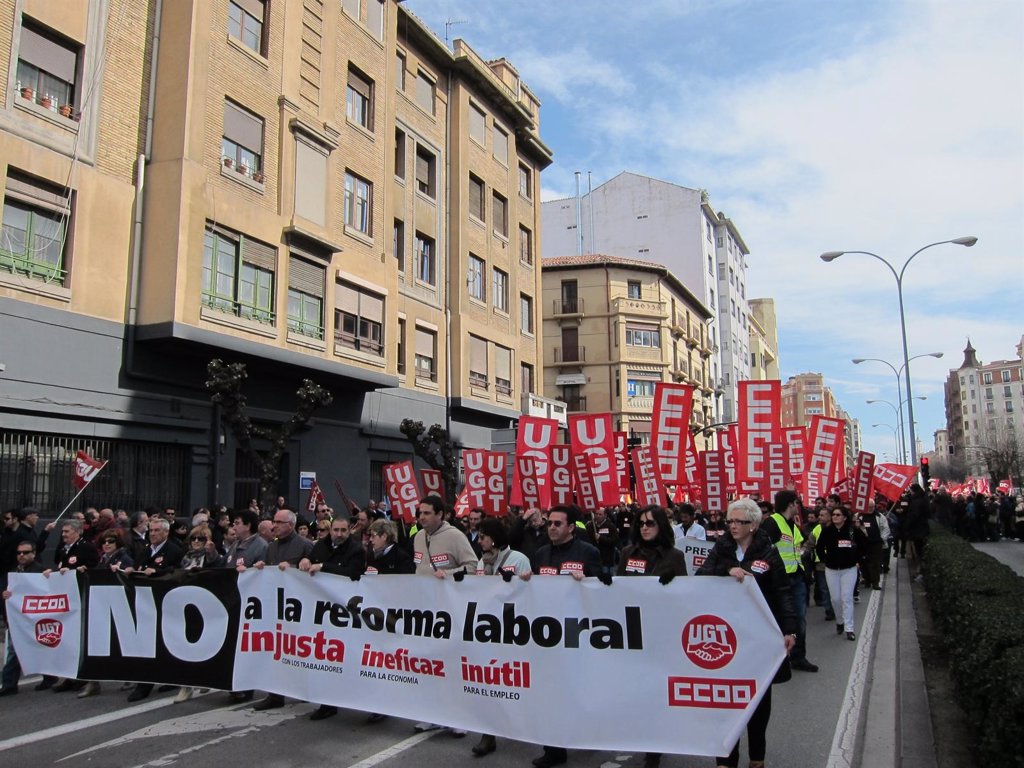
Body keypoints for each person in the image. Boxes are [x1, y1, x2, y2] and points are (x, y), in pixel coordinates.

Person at [696, 497, 798, 768]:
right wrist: (725, 569)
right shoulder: (722, 547)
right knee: (726, 701)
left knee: (758, 701)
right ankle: (725, 759)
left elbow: (782, 592)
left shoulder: (767, 551)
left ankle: (757, 758)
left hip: (758, 638)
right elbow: (701, 575)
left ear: (753, 524)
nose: (733, 526)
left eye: (739, 521)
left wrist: (790, 629)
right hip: (726, 635)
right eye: (730, 521)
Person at [527, 505, 602, 768]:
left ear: (571, 527)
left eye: (558, 524)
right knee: (550, 692)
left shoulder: (588, 552)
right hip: (547, 635)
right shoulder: (541, 553)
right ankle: (554, 749)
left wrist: (589, 578)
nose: (552, 527)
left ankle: (588, 733)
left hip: (577, 634)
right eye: (549, 523)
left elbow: (603, 587)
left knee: (578, 689)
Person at [615, 504, 686, 768]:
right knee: (636, 690)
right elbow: (619, 590)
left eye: (650, 523)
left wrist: (670, 586)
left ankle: (654, 747)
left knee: (656, 691)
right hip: (632, 631)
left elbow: (685, 598)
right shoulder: (626, 553)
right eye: (641, 523)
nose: (645, 527)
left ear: (661, 526)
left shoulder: (674, 556)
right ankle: (641, 735)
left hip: (660, 633)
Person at [411, 495, 477, 736]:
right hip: (426, 611)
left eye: (427, 513)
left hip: (451, 610)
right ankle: (432, 714)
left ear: (440, 514)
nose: (421, 517)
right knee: (430, 663)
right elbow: (418, 566)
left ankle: (460, 717)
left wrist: (449, 574)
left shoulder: (455, 536)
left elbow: (472, 566)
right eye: (420, 513)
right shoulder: (418, 537)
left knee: (453, 664)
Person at [467, 517, 532, 757]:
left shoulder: (517, 559)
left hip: (514, 630)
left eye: (482, 536)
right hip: (488, 630)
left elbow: (530, 590)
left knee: (516, 682)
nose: (479, 540)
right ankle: (488, 734)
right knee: (489, 681)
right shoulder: (483, 562)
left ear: (493, 538)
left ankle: (524, 725)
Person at [249, 509, 314, 712]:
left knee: (298, 650)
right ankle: (275, 694)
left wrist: (296, 566)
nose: (273, 525)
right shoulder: (272, 547)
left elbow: (314, 574)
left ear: (291, 525)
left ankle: (304, 689)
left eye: (279, 522)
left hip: (298, 609)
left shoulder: (306, 545)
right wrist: (259, 569)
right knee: (277, 650)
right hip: (276, 606)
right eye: (273, 522)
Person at [761, 490, 817, 673]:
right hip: (779, 581)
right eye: (797, 503)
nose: (799, 507)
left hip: (797, 578)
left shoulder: (793, 525)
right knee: (780, 620)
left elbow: (798, 548)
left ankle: (799, 656)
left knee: (799, 620)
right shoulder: (772, 523)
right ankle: (780, 659)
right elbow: (764, 550)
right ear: (791, 504)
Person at [1, 541, 48, 696]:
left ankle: (49, 676)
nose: (21, 555)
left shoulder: (40, 571)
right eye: (19, 553)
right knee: (14, 650)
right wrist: (5, 594)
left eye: (25, 552)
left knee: (40, 647)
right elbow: (7, 592)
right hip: (19, 619)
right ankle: (9, 683)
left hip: (36, 617)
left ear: (33, 554)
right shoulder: (14, 572)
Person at [816, 506, 866, 641]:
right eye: (834, 515)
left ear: (844, 517)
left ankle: (849, 628)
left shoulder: (852, 531)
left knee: (847, 598)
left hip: (849, 570)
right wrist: (824, 560)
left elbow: (863, 545)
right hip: (831, 570)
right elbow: (819, 547)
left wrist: (858, 560)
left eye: (838, 515)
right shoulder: (827, 531)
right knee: (835, 599)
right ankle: (840, 621)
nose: (835, 517)